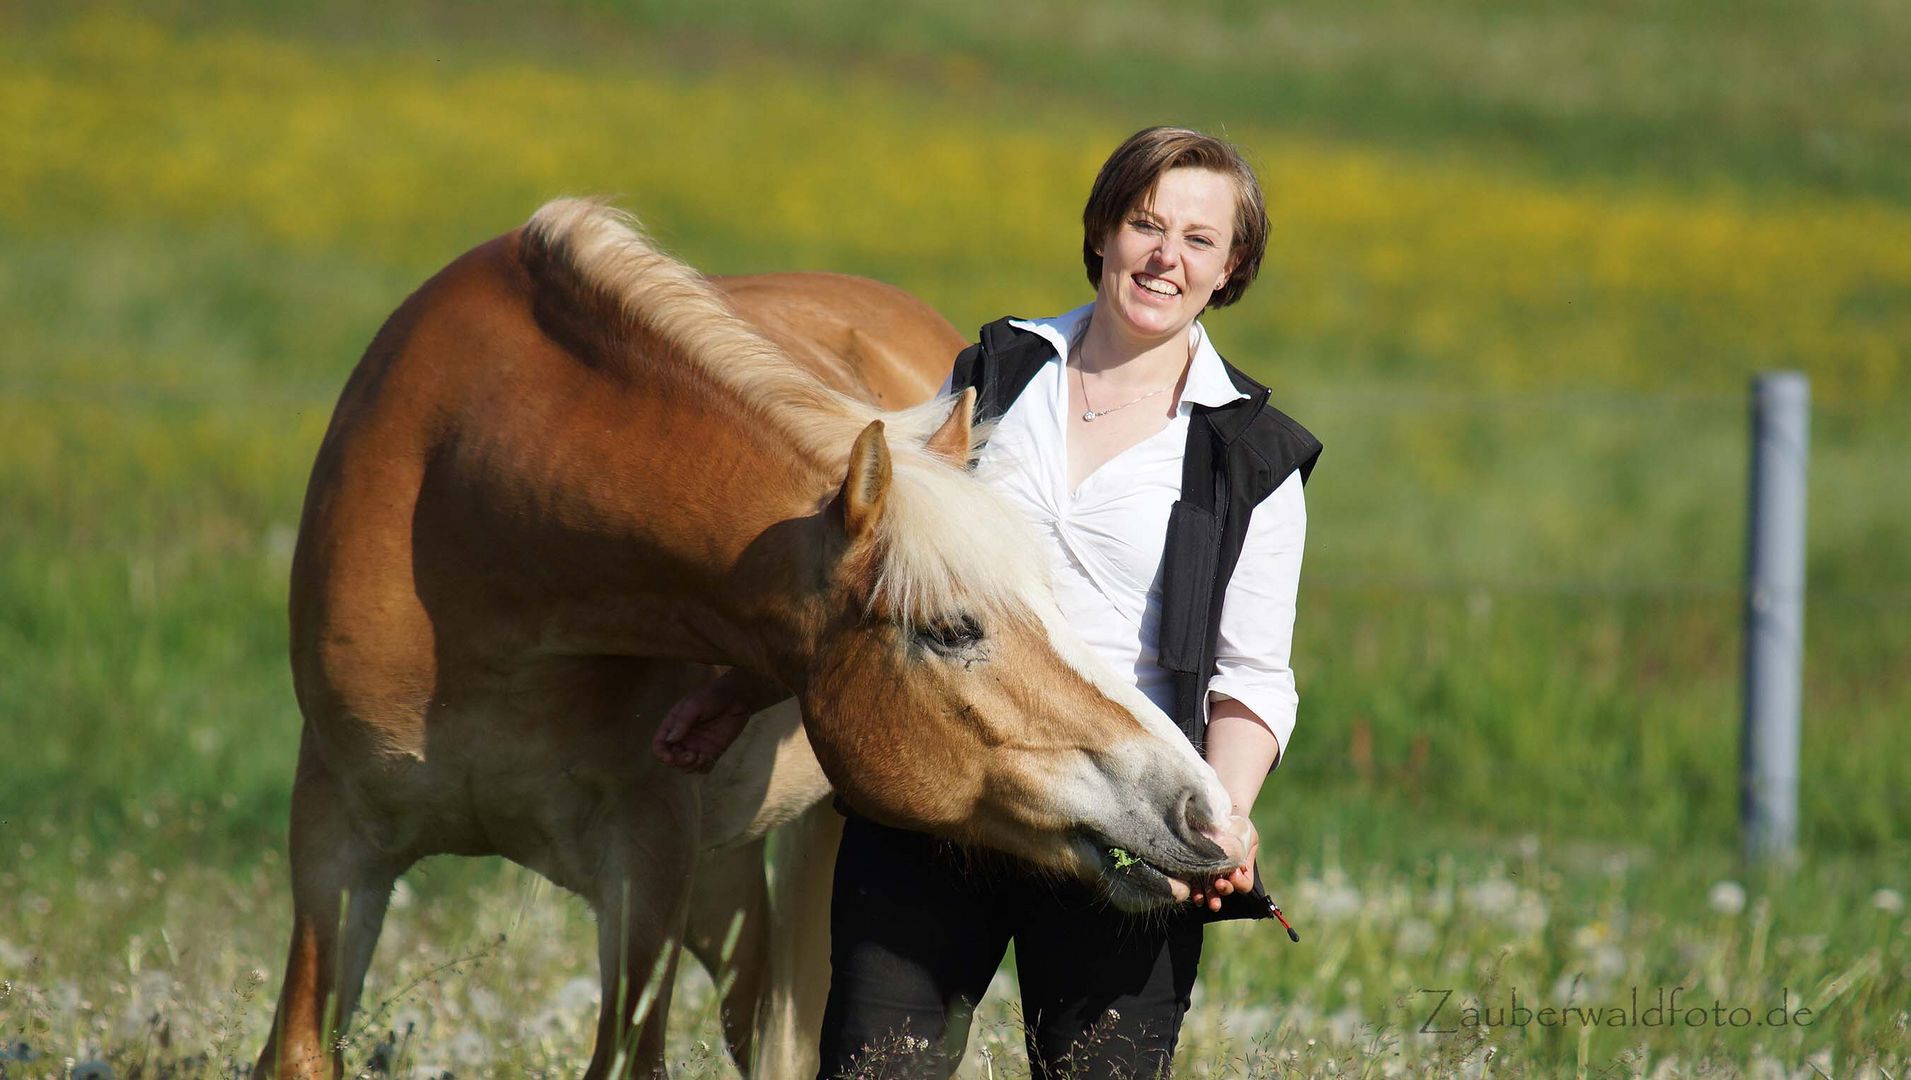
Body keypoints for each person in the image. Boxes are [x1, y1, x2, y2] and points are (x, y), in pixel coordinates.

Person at [654, 126, 1318, 1079]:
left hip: (1121, 813)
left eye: (1199, 239)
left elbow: (1251, 676)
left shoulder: (1252, 456)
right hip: (945, 806)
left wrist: (1224, 812)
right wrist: (736, 690)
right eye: (1144, 223)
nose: (1165, 256)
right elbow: (878, 583)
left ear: (1231, 266)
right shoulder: (992, 376)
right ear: (1101, 232)